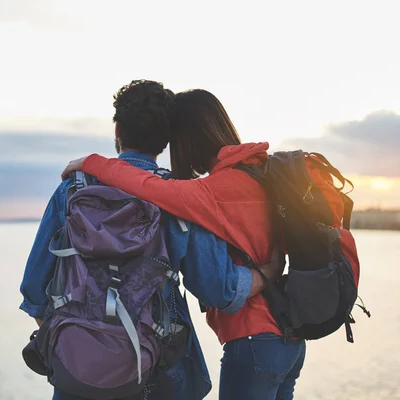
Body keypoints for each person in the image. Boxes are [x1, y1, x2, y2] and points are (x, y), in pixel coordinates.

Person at [20, 81, 279, 400]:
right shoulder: (180, 197)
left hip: (76, 371)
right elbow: (217, 288)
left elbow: (34, 289)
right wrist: (266, 273)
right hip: (155, 369)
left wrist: (79, 345)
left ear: (117, 130)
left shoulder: (72, 191)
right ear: (166, 140)